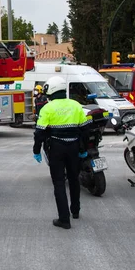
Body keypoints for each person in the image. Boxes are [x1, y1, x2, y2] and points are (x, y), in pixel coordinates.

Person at [32, 76, 89, 230]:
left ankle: (64, 219)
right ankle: (75, 211)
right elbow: (85, 129)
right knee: (73, 179)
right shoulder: (76, 105)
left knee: (59, 183)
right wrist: (83, 149)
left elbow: (39, 133)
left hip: (56, 147)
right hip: (74, 147)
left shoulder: (47, 108)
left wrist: (36, 150)